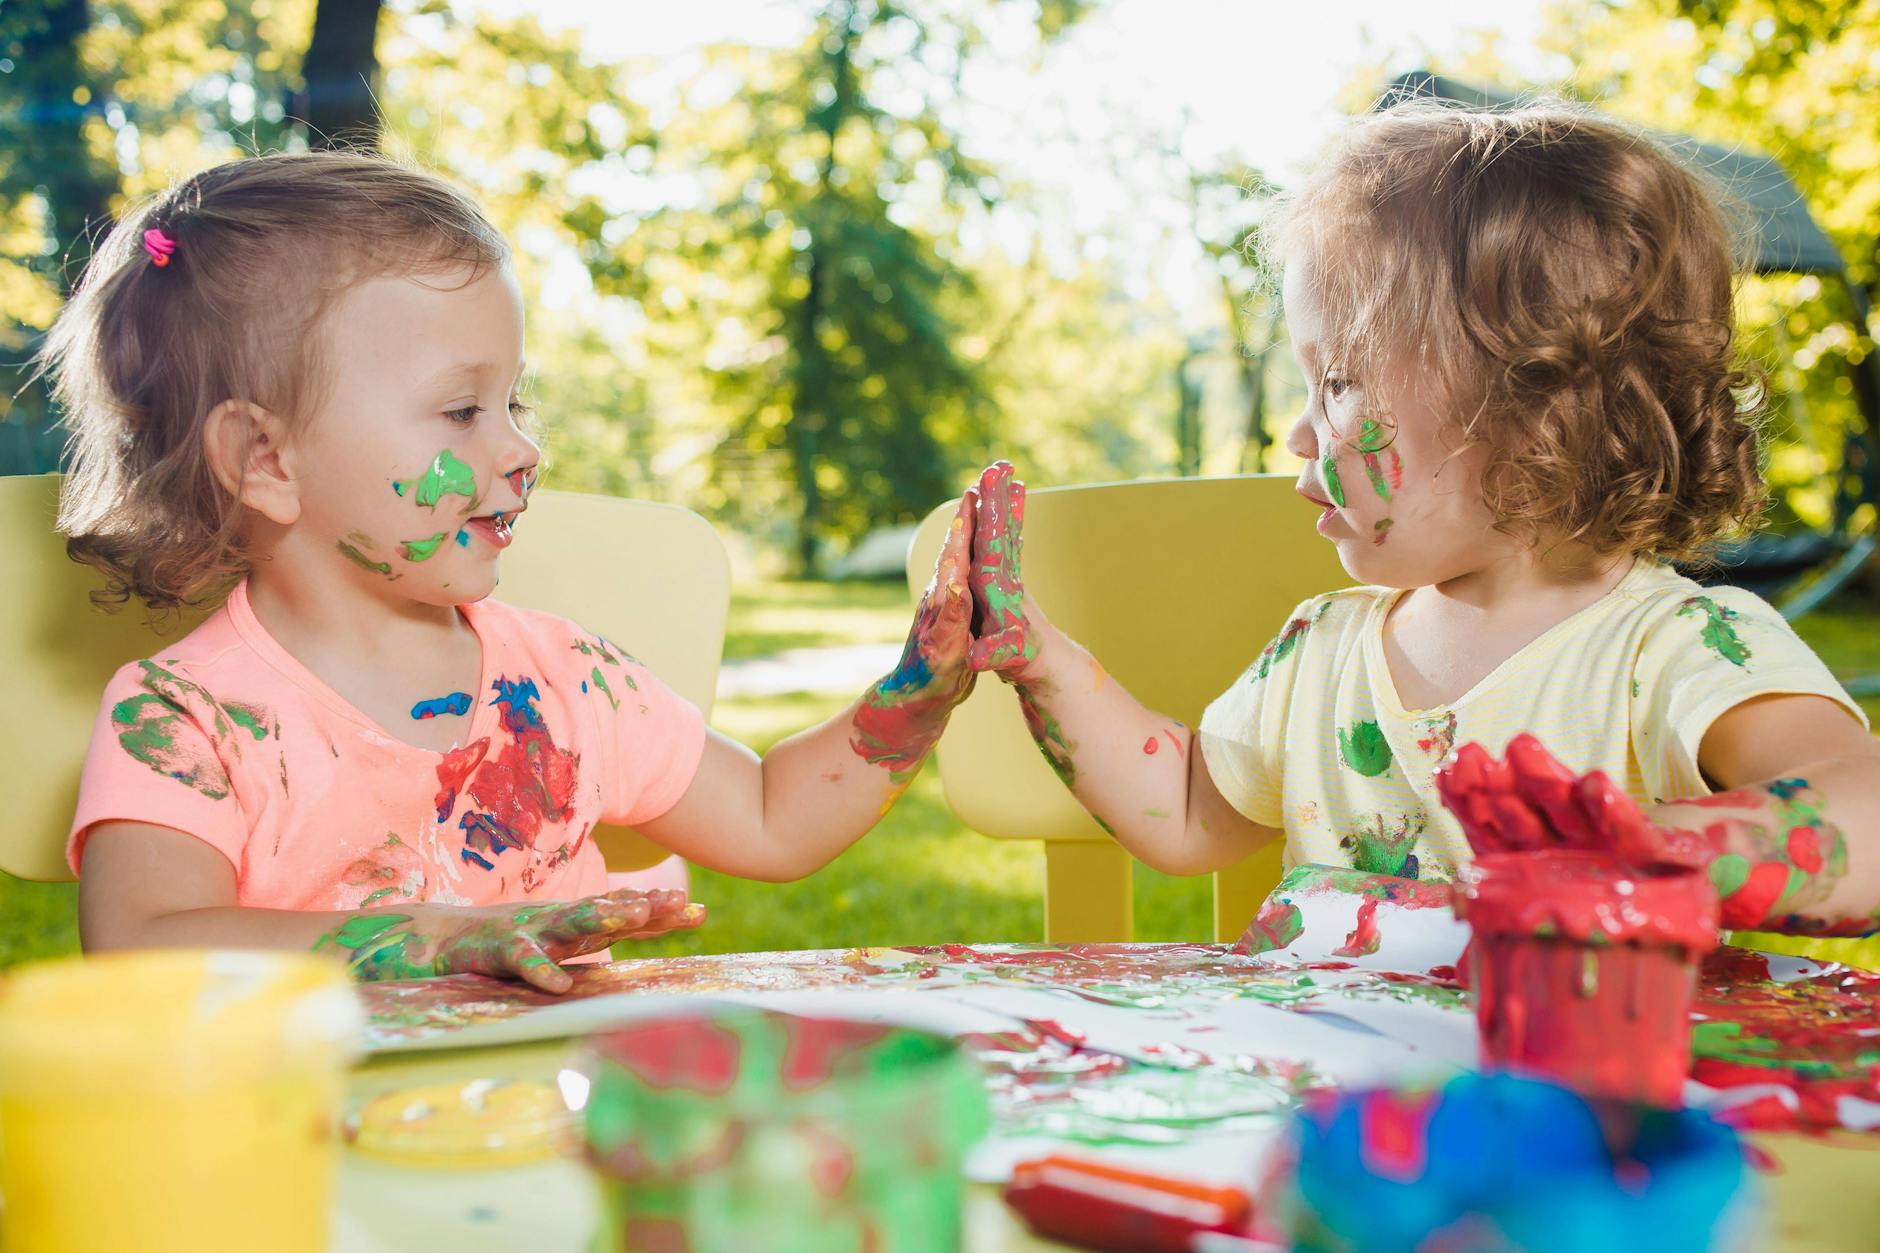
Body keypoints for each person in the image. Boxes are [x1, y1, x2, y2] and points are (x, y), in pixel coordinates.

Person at [45, 151, 978, 994]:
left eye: (514, 403)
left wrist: (914, 699)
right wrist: (439, 936)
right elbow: (142, 944)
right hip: (310, 1122)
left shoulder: (563, 681)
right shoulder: (186, 719)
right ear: (266, 459)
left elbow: (772, 814)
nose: (523, 448)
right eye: (462, 411)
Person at [961, 101, 1880, 941]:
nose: (1297, 434)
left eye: (1338, 382)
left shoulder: (1675, 650)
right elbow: (1193, 807)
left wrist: (1635, 853)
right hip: (1341, 1069)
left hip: (1570, 1067)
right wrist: (1040, 659)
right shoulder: (1319, 652)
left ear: (1530, 402)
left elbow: (1864, 812)